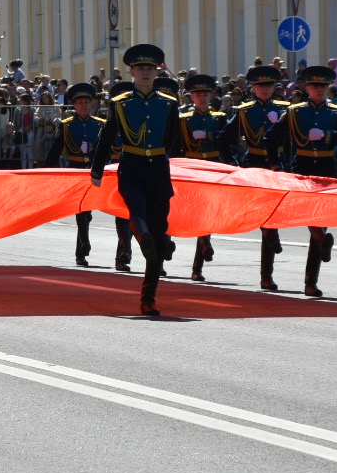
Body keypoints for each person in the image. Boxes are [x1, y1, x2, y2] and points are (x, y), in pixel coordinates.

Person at [90, 44, 180, 316]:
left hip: (158, 169)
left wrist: (165, 160)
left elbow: (173, 139)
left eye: (149, 68)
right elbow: (107, 137)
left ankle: (148, 299)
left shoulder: (168, 103)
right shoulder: (120, 104)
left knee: (159, 229)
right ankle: (144, 240)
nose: (145, 72)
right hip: (131, 166)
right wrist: (96, 169)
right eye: (140, 68)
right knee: (137, 211)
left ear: (156, 73)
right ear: (131, 72)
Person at [281, 65, 337, 297]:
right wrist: (276, 165)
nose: (319, 90)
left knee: (320, 219)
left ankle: (311, 281)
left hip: (326, 166)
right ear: (306, 87)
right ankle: (321, 241)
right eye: (314, 86)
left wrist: (328, 136)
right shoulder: (294, 112)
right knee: (311, 215)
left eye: (323, 86)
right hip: (302, 167)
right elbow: (271, 138)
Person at [221, 64, 289, 290]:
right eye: (260, 86)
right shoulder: (245, 111)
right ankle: (266, 275)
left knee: (273, 215)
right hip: (254, 164)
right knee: (264, 215)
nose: (264, 89)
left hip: (277, 165)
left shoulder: (286, 110)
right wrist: (233, 164)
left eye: (268, 85)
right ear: (253, 88)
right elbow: (224, 139)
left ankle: (267, 269)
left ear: (274, 88)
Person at [45, 83, 109, 268]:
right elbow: (55, 150)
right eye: (80, 102)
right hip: (75, 169)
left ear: (91, 104)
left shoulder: (100, 124)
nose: (83, 106)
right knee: (82, 210)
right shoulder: (66, 126)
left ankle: (81, 249)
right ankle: (83, 246)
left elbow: (106, 148)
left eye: (86, 102)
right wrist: (47, 172)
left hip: (93, 170)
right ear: (74, 105)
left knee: (86, 213)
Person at [177, 72, 235, 281]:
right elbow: (176, 148)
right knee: (193, 213)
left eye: (205, 93)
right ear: (191, 97)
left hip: (212, 167)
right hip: (191, 168)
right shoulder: (183, 120)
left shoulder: (219, 119)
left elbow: (226, 141)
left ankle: (198, 262)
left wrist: (230, 164)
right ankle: (202, 244)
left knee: (206, 212)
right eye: (197, 94)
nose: (201, 97)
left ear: (211, 96)